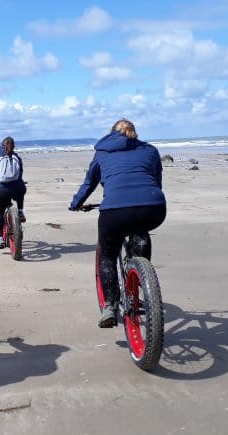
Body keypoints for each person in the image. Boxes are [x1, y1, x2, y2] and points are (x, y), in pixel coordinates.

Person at [69, 118, 166, 328]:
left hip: (115, 211)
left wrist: (76, 204)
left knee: (107, 255)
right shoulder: (150, 150)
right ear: (135, 133)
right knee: (141, 229)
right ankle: (141, 277)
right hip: (153, 207)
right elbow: (156, 180)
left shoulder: (102, 153)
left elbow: (89, 183)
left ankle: (110, 306)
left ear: (111, 134)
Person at [0, 136, 27, 249]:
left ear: (2, 146)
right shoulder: (18, 158)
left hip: (0, 190)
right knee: (21, 189)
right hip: (16, 189)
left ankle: (0, 239)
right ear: (14, 146)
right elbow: (20, 175)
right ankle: (21, 211)